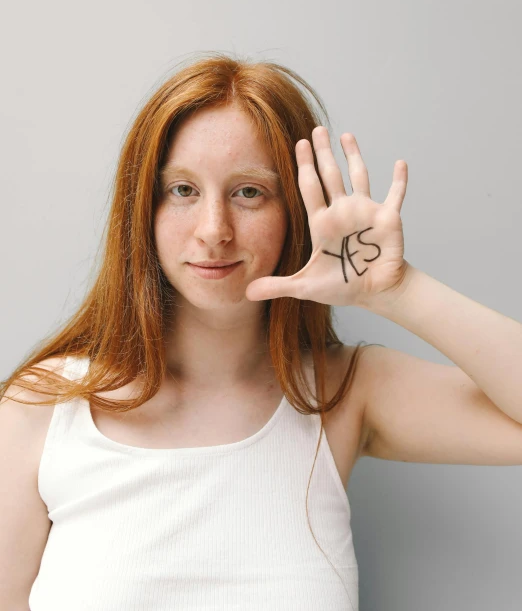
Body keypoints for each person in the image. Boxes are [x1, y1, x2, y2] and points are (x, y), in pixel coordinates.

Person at [2, 53, 521, 611]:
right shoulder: (42, 408)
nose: (213, 231)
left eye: (249, 192)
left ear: (296, 210)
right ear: (142, 209)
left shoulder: (343, 392)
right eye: (182, 190)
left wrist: (396, 289)